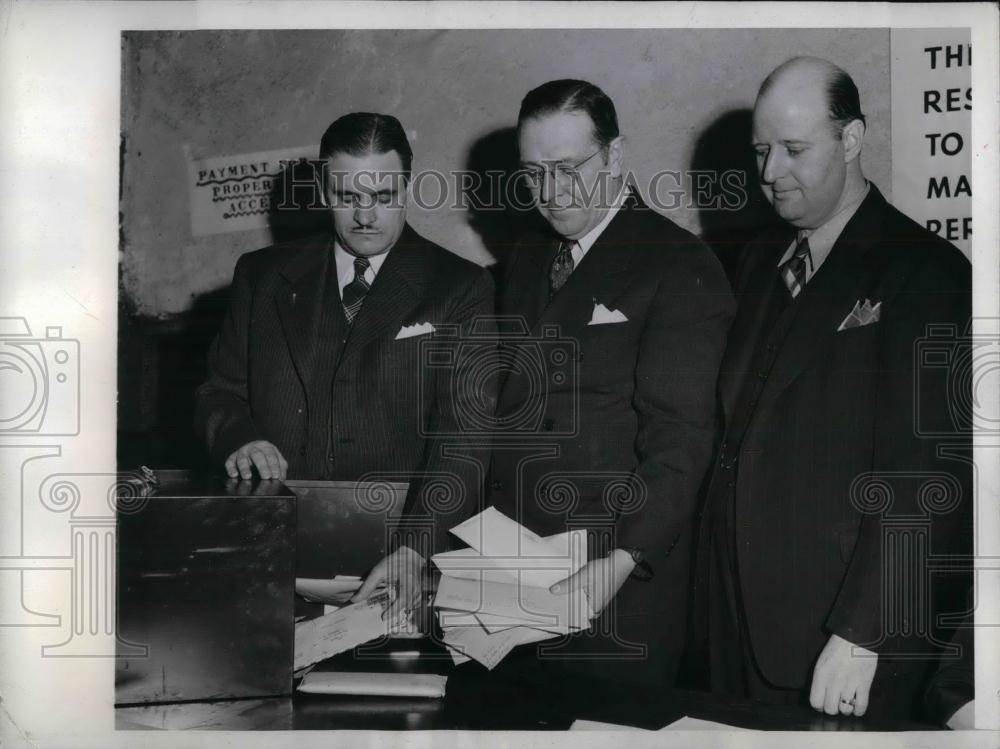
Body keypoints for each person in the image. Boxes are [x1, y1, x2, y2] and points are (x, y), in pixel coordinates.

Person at [696, 57, 972, 720]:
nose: (770, 174)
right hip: (733, 626)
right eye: (761, 151)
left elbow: (926, 473)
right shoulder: (758, 262)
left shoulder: (927, 272)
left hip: (840, 635)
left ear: (851, 140)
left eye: (794, 150)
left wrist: (861, 631)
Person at [480, 79, 734, 690]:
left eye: (568, 168)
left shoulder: (678, 265)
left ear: (616, 156)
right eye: (533, 174)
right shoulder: (524, 258)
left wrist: (620, 560)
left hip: (614, 580)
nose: (551, 192)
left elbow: (682, 440)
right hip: (507, 576)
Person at [194, 112, 495, 615]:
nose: (365, 216)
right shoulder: (261, 276)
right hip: (271, 547)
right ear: (322, 188)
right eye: (348, 197)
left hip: (401, 553)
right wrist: (237, 436)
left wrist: (417, 546)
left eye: (383, 197)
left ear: (407, 188)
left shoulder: (460, 287)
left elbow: (464, 438)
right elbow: (218, 392)